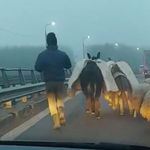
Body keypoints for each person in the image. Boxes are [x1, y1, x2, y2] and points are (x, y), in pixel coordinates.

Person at [35, 32, 72, 129]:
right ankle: (61, 113)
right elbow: (68, 65)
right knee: (59, 98)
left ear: (47, 42)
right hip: (60, 81)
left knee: (51, 100)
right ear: (56, 42)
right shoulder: (62, 54)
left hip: (49, 81)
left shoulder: (42, 55)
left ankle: (56, 122)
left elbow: (37, 68)